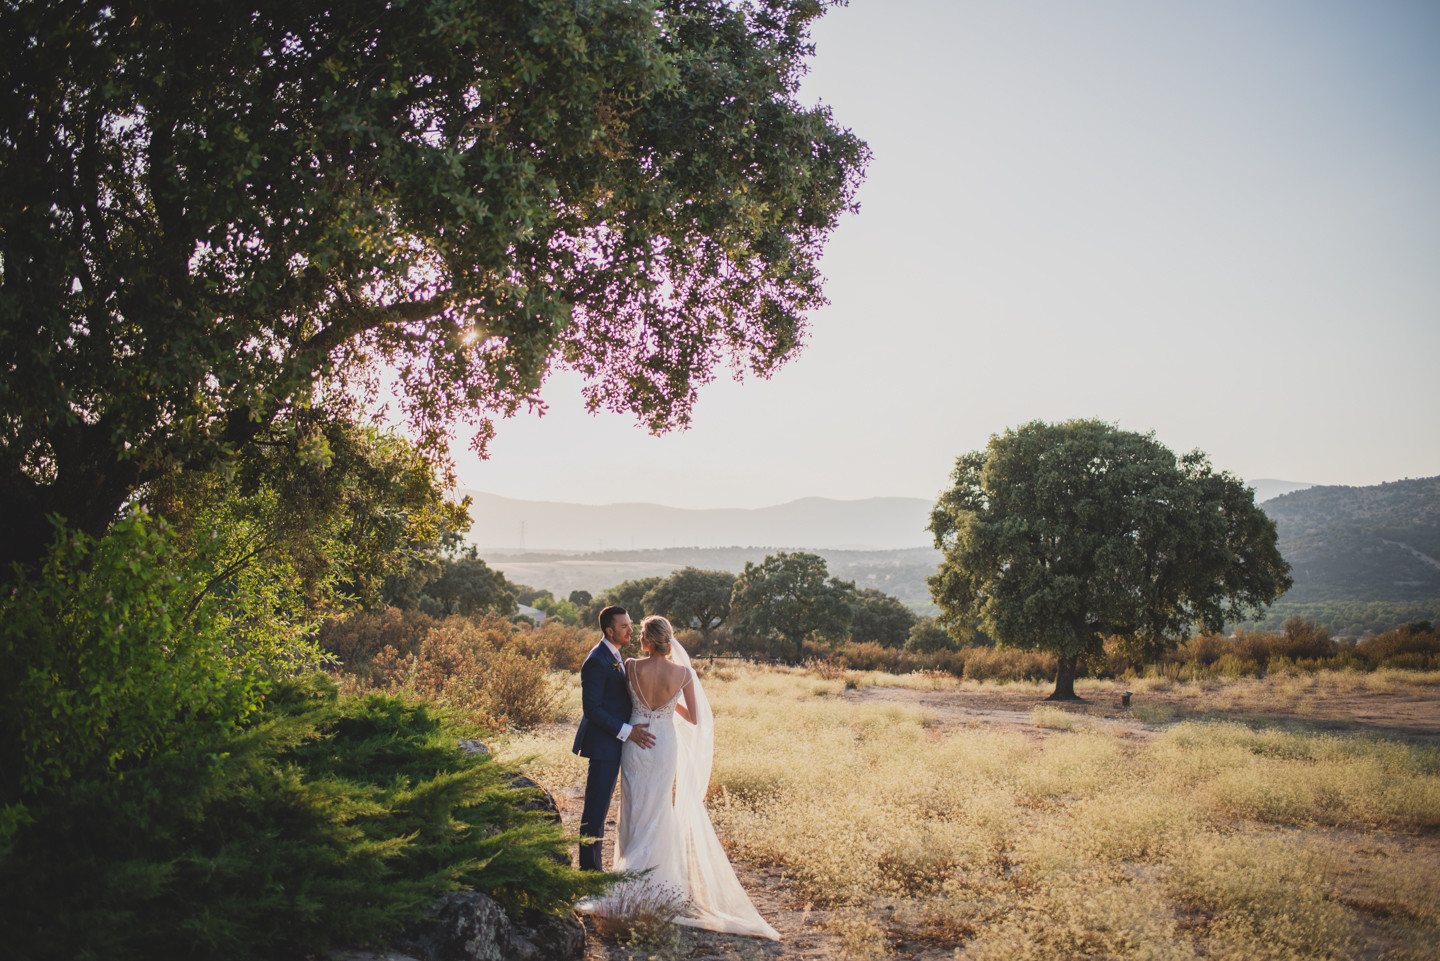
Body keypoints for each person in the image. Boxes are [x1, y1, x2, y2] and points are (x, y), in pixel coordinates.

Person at [583, 615, 779, 940]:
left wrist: (645, 712)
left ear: (646, 641)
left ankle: (628, 877)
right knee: (660, 809)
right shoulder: (684, 673)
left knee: (634, 808)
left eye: (639, 632)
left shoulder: (630, 666)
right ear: (668, 640)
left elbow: (624, 700)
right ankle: (658, 883)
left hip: (636, 743)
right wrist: (668, 705)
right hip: (663, 744)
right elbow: (696, 717)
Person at [573, 605, 654, 872]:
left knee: (601, 807)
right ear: (610, 631)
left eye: (630, 625)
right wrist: (628, 731)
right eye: (624, 626)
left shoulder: (615, 655)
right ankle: (589, 870)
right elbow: (592, 709)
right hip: (603, 745)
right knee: (595, 810)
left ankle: (593, 867)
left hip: (615, 743)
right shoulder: (596, 661)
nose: (630, 630)